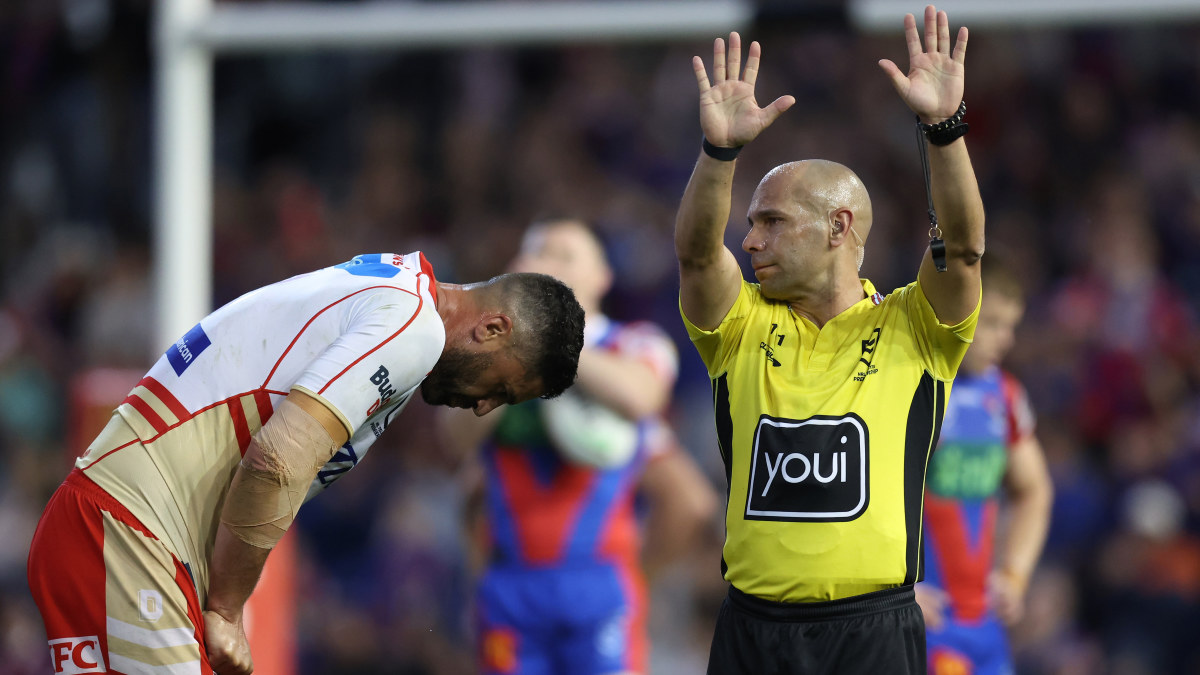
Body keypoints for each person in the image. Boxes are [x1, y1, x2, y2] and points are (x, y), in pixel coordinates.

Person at [26, 251, 585, 675]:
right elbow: (277, 461)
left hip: (119, 531)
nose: (486, 407)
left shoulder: (397, 286)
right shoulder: (414, 328)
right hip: (129, 536)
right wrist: (226, 611)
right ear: (492, 329)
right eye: (503, 390)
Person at [674, 6, 984, 674]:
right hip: (753, 629)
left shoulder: (915, 326)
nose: (749, 240)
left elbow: (962, 248)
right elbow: (697, 256)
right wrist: (719, 154)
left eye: (772, 221)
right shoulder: (740, 324)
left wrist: (944, 130)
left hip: (871, 630)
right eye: (750, 223)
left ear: (839, 227)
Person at [439, 219, 717, 675]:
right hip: (511, 588)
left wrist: (553, 340)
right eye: (537, 253)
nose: (548, 265)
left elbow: (640, 396)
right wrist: (512, 348)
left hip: (599, 581)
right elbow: (455, 438)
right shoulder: (492, 352)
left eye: (565, 256)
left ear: (602, 276)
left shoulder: (635, 343)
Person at [917, 261, 1054, 675]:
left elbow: (1035, 490)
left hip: (985, 627)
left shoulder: (1005, 396)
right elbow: (866, 493)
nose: (1006, 339)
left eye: (1011, 325)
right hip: (924, 623)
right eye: (993, 323)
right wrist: (894, 591)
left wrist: (1015, 574)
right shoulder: (915, 387)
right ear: (955, 312)